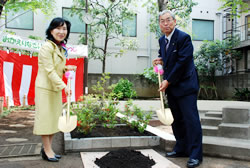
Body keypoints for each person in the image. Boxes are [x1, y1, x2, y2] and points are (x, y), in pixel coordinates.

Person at [153, 10, 202, 168]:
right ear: (160, 24)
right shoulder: (162, 40)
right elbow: (166, 57)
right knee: (177, 121)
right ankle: (181, 148)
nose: (165, 23)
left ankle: (195, 155)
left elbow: (182, 62)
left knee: (191, 121)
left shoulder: (183, 38)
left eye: (168, 20)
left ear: (174, 21)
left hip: (186, 86)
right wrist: (159, 60)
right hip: (172, 87)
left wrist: (167, 80)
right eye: (162, 21)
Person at [33, 17, 76, 162]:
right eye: (58, 28)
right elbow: (49, 71)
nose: (61, 31)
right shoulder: (47, 47)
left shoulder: (59, 47)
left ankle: (48, 149)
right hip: (45, 89)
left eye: (64, 29)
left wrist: (66, 68)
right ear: (51, 30)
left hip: (55, 88)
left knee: (53, 121)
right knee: (46, 120)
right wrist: (64, 86)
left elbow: (56, 68)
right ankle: (47, 150)